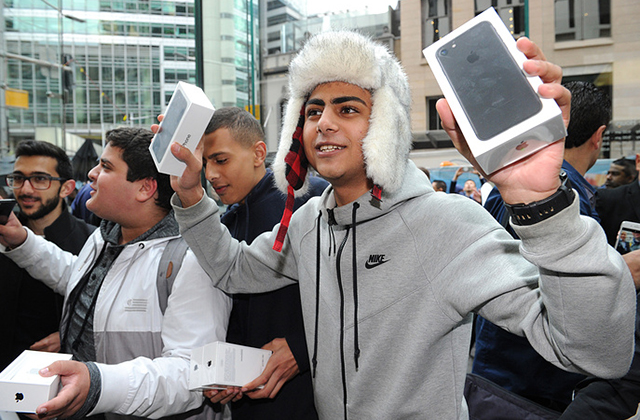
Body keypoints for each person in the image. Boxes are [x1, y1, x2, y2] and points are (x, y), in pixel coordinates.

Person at [167, 31, 635, 420]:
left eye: (347, 109)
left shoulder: (445, 223)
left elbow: (593, 352)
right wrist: (189, 196)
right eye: (312, 111)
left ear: (386, 125)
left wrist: (542, 203)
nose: (324, 123)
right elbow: (233, 269)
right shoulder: (309, 222)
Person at [0, 127, 231, 420]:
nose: (92, 174)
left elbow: (191, 374)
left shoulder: (191, 259)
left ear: (145, 188)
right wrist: (21, 241)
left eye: (106, 166)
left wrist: (97, 384)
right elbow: (80, 280)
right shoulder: (105, 237)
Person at [472, 80, 611, 412]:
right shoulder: (565, 199)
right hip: (530, 382)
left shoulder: (513, 184)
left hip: (497, 372)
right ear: (598, 136)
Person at [196, 107, 326, 419]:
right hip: (250, 399)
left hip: (314, 399)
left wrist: (302, 347)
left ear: (258, 153)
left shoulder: (312, 198)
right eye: (204, 164)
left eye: (221, 160)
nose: (211, 174)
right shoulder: (225, 222)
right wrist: (225, 375)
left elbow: (357, 294)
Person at [0, 140, 95, 373]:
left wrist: (72, 335)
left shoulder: (92, 243)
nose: (26, 189)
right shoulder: (3, 234)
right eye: (18, 178)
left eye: (40, 179)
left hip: (65, 381)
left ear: (66, 188)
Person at [597, 153, 640, 246]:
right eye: (608, 173)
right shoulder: (606, 199)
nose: (608, 177)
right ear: (638, 161)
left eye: (615, 174)